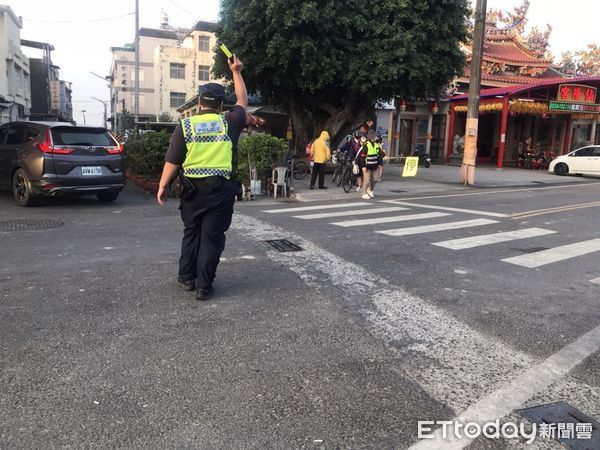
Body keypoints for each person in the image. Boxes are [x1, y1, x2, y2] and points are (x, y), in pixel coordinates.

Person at [156, 55, 248, 301]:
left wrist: (163, 186)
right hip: (220, 190)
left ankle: (186, 277)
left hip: (191, 191)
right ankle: (204, 286)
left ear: (198, 102)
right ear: (220, 105)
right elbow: (242, 101)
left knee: (192, 232)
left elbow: (172, 161)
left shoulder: (185, 126)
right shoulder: (229, 122)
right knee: (212, 237)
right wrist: (236, 71)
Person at [357, 130, 380, 199]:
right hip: (367, 166)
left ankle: (370, 190)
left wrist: (385, 156)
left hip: (374, 165)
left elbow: (379, 153)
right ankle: (364, 193)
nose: (375, 138)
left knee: (375, 179)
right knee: (367, 180)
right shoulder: (366, 145)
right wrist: (363, 166)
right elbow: (362, 157)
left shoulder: (376, 145)